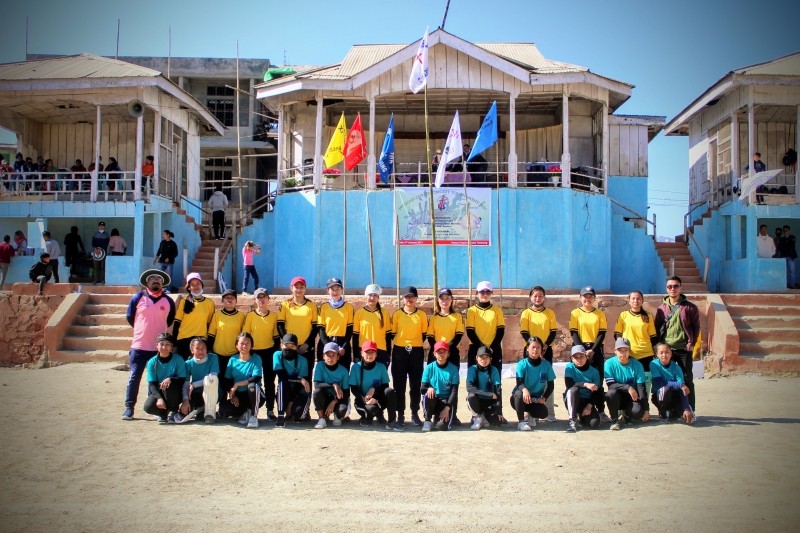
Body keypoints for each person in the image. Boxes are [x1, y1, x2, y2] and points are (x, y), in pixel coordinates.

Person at [121, 269, 176, 420]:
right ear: (147, 282)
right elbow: (130, 317)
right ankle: (129, 408)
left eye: (159, 278)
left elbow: (169, 321)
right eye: (152, 278)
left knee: (156, 381)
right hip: (139, 346)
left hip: (159, 349)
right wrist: (142, 330)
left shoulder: (168, 301)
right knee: (134, 378)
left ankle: (155, 409)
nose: (156, 280)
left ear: (163, 282)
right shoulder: (138, 297)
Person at [654, 275, 700, 419]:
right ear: (666, 289)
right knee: (666, 379)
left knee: (686, 379)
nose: (672, 289)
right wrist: (659, 348)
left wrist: (691, 342)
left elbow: (696, 327)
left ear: (680, 288)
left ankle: (690, 409)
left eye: (675, 286)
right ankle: (670, 409)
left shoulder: (690, 307)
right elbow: (657, 328)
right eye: (670, 286)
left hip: (683, 349)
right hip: (667, 351)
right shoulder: (661, 309)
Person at [390, 286, 428, 427]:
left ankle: (414, 413)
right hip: (400, 351)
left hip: (416, 351)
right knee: (399, 384)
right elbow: (393, 333)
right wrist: (403, 342)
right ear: (403, 299)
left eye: (412, 297)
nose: (409, 299)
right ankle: (400, 414)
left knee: (415, 384)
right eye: (407, 297)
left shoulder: (422, 315)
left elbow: (424, 333)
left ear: (416, 298)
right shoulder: (397, 314)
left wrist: (414, 342)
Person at [569, 285, 609, 421]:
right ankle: (576, 409)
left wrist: (593, 350)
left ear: (594, 298)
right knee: (577, 379)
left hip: (595, 349)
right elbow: (573, 332)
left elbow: (602, 333)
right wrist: (582, 351)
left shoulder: (600, 314)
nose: (588, 299)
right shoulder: (575, 313)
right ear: (580, 298)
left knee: (598, 380)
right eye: (585, 296)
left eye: (590, 296)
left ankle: (601, 410)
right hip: (579, 349)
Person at [519, 285, 558, 421]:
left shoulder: (550, 313)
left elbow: (553, 332)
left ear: (544, 297)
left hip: (546, 350)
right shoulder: (526, 313)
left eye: (540, 295)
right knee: (529, 380)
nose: (538, 298)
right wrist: (533, 347)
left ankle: (550, 412)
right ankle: (529, 413)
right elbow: (524, 332)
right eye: (535, 296)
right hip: (531, 350)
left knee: (547, 381)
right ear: (531, 297)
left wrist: (544, 346)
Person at [243, 287, 280, 420]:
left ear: (268, 299)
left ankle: (270, 410)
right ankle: (252, 409)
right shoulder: (251, 316)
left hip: (269, 351)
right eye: (259, 297)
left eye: (264, 297)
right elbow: (246, 336)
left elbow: (276, 338)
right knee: (254, 381)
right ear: (255, 299)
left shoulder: (273, 316)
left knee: (270, 382)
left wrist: (276, 355)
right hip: (254, 353)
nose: (261, 300)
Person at [613, 290, 658, 399]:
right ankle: (627, 406)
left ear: (642, 300)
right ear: (629, 301)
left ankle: (644, 405)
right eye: (633, 298)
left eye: (638, 298)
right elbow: (617, 334)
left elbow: (653, 336)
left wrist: (656, 352)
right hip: (629, 353)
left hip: (645, 354)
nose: (636, 301)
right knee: (629, 380)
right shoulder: (623, 315)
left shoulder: (648, 316)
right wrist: (622, 350)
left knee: (645, 381)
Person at [277, 276, 318, 388]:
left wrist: (307, 344)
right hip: (289, 347)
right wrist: (287, 343)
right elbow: (280, 324)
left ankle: (305, 403)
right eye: (296, 287)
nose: (299, 290)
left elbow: (315, 327)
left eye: (301, 287)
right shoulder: (285, 304)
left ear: (305, 288)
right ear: (291, 288)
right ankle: (287, 403)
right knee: (288, 377)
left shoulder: (311, 305)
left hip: (306, 347)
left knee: (306, 377)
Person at [349, 339, 400, 430]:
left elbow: (385, 386)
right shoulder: (356, 367)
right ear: (362, 353)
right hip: (362, 400)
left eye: (372, 352)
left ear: (376, 354)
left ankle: (392, 420)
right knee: (370, 410)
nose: (369, 355)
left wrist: (375, 394)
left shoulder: (381, 367)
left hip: (377, 399)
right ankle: (369, 416)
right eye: (367, 352)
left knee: (390, 391)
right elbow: (353, 388)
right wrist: (364, 399)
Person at [217, 332, 264, 428]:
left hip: (254, 394)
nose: (244, 346)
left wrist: (237, 384)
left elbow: (256, 378)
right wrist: (233, 395)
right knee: (224, 410)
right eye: (242, 343)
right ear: (236, 345)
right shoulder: (232, 359)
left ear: (251, 345)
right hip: (239, 396)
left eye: (247, 344)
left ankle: (253, 416)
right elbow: (227, 380)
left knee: (252, 386)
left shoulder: (256, 358)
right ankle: (245, 411)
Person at [604, 337, 649, 430]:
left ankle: (627, 415)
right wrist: (628, 387)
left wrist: (646, 409)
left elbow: (641, 388)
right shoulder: (609, 363)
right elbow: (610, 384)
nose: (623, 353)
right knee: (610, 393)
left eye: (626, 350)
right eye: (620, 350)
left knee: (637, 412)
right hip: (616, 397)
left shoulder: (637, 365)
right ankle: (614, 420)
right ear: (615, 351)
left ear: (629, 351)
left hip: (631, 398)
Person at [142, 333, 188, 423]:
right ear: (157, 345)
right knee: (148, 407)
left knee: (169, 385)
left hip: (175, 392)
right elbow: (151, 384)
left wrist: (170, 379)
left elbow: (182, 379)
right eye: (162, 344)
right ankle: (163, 413)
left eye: (167, 344)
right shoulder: (152, 362)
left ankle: (174, 411)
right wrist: (159, 398)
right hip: (160, 391)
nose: (164, 347)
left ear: (171, 346)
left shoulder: (178, 359)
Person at [512, 336, 555, 431]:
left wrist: (544, 398)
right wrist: (525, 390)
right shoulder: (521, 364)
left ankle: (532, 415)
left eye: (538, 347)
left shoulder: (546, 365)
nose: (535, 350)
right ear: (527, 348)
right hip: (520, 398)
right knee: (519, 393)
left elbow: (551, 385)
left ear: (542, 349)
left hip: (535, 399)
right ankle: (521, 422)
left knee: (543, 413)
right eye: (533, 347)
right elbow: (519, 383)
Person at [207, 289, 246, 394]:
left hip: (234, 355)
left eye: (232, 298)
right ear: (222, 300)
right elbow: (211, 335)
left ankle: (234, 406)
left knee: (233, 381)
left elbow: (244, 337)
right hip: (218, 354)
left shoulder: (241, 316)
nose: (229, 300)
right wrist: (209, 351)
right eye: (227, 298)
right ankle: (221, 407)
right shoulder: (217, 315)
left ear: (236, 301)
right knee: (220, 382)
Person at [172, 273, 216, 359]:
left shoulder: (209, 303)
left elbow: (209, 325)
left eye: (198, 283)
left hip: (200, 341)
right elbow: (177, 322)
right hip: (183, 340)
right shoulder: (184, 302)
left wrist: (209, 344)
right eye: (192, 284)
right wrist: (174, 342)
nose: (196, 286)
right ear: (189, 287)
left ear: (202, 285)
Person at [178, 337, 220, 424]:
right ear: (192, 350)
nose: (201, 351)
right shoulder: (188, 363)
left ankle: (210, 414)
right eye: (197, 348)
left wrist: (194, 384)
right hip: (196, 393)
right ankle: (201, 408)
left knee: (210, 379)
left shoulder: (213, 358)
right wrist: (185, 400)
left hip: (213, 392)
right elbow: (185, 384)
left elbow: (212, 378)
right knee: (184, 412)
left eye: (203, 348)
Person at [273, 333, 312, 427]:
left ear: (296, 347)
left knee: (298, 416)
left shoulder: (303, 360)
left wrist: (291, 402)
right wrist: (299, 379)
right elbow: (282, 376)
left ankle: (299, 411)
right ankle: (281, 415)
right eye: (286, 345)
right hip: (285, 390)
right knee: (282, 384)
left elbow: (301, 385)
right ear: (281, 345)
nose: (289, 348)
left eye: (292, 346)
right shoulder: (277, 355)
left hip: (298, 391)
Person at [420, 341, 460, 432]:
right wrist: (428, 388)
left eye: (444, 352)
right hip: (433, 399)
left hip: (445, 402)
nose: (441, 355)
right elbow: (422, 388)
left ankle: (439, 419)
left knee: (441, 427)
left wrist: (447, 408)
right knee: (428, 394)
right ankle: (427, 420)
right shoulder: (429, 368)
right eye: (439, 352)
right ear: (434, 353)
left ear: (448, 354)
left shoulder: (453, 369)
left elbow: (454, 391)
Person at [466, 281, 505, 372]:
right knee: (474, 377)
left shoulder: (497, 310)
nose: (485, 294)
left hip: (494, 348)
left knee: (494, 377)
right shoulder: (471, 311)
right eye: (482, 292)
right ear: (477, 293)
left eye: (488, 292)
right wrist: (482, 348)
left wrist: (491, 348)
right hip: (475, 347)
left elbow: (500, 331)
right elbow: (470, 332)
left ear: (491, 293)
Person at [650, 343, 693, 424]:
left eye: (667, 352)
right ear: (657, 354)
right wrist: (679, 384)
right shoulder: (654, 364)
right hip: (660, 396)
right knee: (665, 388)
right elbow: (660, 382)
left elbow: (682, 389)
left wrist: (686, 408)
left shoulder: (676, 367)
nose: (664, 355)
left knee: (689, 417)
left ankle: (674, 411)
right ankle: (663, 413)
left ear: (671, 354)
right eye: (661, 352)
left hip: (674, 396)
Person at [563, 344, 603, 433]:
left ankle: (582, 417)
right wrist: (585, 384)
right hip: (572, 399)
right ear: (572, 359)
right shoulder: (569, 368)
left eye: (581, 356)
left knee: (594, 423)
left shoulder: (594, 371)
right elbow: (569, 385)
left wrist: (589, 406)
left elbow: (597, 392)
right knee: (574, 390)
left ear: (586, 356)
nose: (579, 359)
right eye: (576, 357)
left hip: (587, 401)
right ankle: (572, 420)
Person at [312, 342, 351, 429]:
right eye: (328, 355)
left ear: (338, 357)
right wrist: (333, 385)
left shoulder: (343, 370)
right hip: (325, 397)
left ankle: (338, 415)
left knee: (339, 418)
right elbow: (317, 385)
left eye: (333, 355)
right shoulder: (320, 366)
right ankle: (322, 418)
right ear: (323, 356)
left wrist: (334, 401)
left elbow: (346, 392)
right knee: (316, 393)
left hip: (338, 399)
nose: (330, 358)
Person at [317, 277, 354, 369]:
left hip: (342, 342)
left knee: (343, 371)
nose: (335, 291)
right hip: (326, 341)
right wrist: (327, 346)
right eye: (332, 289)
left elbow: (349, 330)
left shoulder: (348, 307)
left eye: (338, 288)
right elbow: (321, 329)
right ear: (328, 290)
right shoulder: (324, 307)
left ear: (342, 289)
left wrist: (343, 347)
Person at [352, 283, 392, 366]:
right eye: (370, 295)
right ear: (366, 296)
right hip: (364, 351)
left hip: (381, 351)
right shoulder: (359, 313)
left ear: (378, 297)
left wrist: (388, 354)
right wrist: (356, 355)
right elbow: (355, 336)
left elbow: (388, 335)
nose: (372, 298)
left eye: (375, 295)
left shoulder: (385, 313)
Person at [466, 346, 503, 430]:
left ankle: (484, 416)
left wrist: (499, 410)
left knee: (497, 422)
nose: (484, 360)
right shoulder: (472, 369)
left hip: (489, 402)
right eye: (481, 357)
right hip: (477, 400)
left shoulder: (494, 370)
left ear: (490, 359)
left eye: (487, 357)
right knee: (471, 396)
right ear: (476, 358)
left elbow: (498, 390)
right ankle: (477, 417)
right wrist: (488, 394)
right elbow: (469, 388)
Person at [426, 287, 464, 368]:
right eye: (442, 299)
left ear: (451, 299)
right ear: (438, 300)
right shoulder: (433, 317)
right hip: (436, 352)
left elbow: (458, 335)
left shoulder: (457, 316)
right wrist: (439, 349)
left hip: (452, 351)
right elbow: (430, 336)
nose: (444, 301)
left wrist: (446, 349)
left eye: (447, 298)